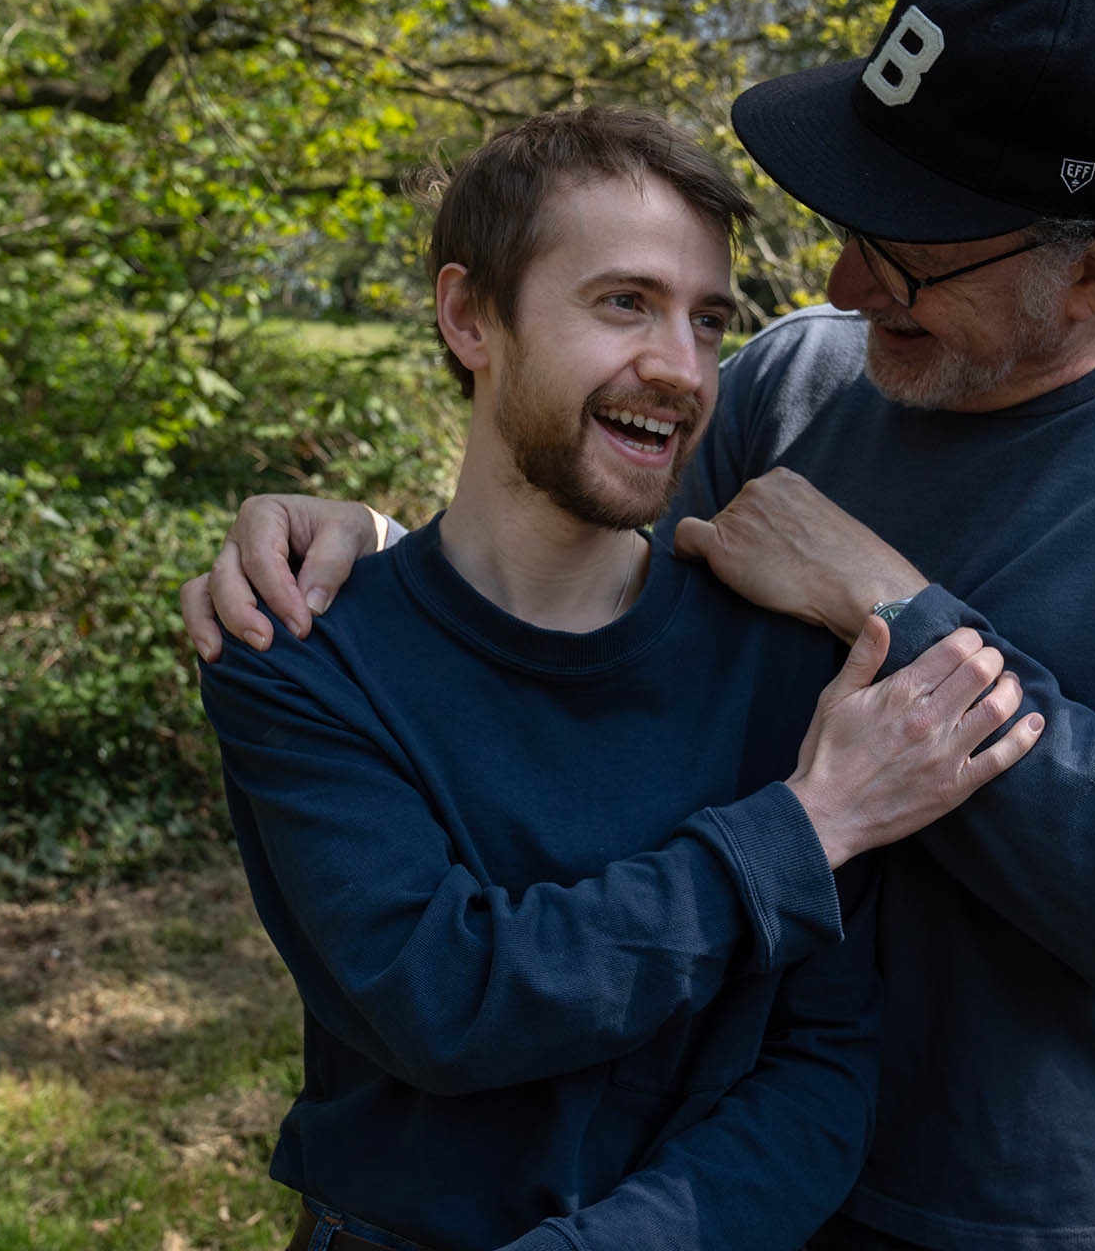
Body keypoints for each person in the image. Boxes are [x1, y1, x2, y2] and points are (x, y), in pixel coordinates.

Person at [188, 0, 1095, 1251]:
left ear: (1092, 275)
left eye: (903, 255)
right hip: (717, 1169)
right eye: (848, 227)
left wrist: (887, 603)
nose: (839, 288)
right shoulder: (802, 382)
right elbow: (581, 564)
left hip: (1006, 1200)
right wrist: (368, 543)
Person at [197, 106, 1041, 1251]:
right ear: (470, 316)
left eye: (708, 320)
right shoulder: (304, 653)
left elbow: (821, 1070)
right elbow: (443, 996)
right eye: (624, 303)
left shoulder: (788, 663)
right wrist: (803, 825)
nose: (682, 367)